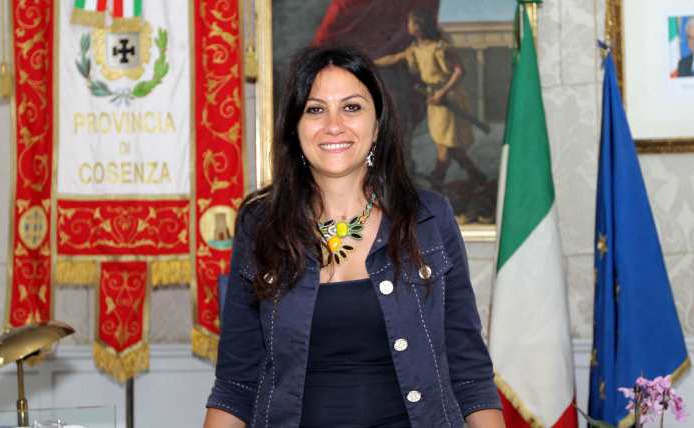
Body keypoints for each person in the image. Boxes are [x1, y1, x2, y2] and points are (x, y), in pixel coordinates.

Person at [203, 46, 503, 428]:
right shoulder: (259, 224)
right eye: (315, 109)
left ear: (377, 125)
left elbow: (469, 372)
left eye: (351, 107)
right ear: (295, 127)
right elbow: (236, 384)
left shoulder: (429, 217)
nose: (334, 125)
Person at [375, 8, 487, 190]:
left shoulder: (440, 47)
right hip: (433, 99)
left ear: (418, 26)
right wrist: (371, 63)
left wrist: (442, 93)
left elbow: (459, 71)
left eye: (410, 22)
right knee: (446, 141)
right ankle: (476, 175)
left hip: (449, 97)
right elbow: (395, 58)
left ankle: (438, 177)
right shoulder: (416, 48)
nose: (407, 25)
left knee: (444, 142)